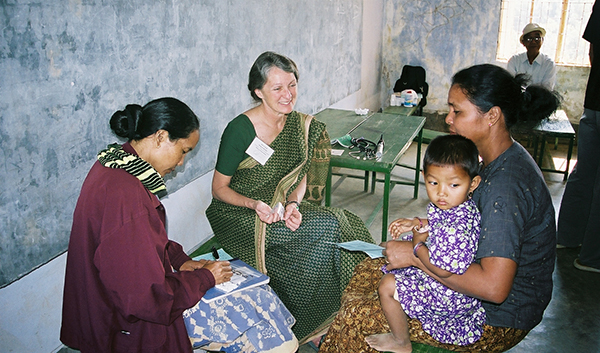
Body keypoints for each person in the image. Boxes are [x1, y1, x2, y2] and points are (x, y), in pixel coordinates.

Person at [320, 64, 560, 352]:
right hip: (468, 283)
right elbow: (469, 221)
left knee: (359, 316)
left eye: (457, 111)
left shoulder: (504, 188)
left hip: (493, 317)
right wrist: (424, 225)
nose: (448, 119)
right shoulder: (495, 158)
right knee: (367, 271)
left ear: (492, 116)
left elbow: (494, 289)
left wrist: (414, 255)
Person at [205, 51, 375, 341]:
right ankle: (310, 320)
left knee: (339, 220)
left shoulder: (298, 125)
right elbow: (219, 190)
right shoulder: (240, 130)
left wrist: (294, 203)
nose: (288, 95)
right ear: (258, 92)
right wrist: (255, 204)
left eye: (292, 85)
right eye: (277, 88)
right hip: (239, 213)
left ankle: (349, 306)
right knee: (319, 233)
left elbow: (301, 174)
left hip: (279, 205)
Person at [59, 98, 235, 353]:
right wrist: (204, 278)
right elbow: (144, 298)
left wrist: (179, 259)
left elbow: (143, 239)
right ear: (161, 137)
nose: (181, 164)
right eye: (183, 151)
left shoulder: (117, 163)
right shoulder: (125, 195)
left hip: (104, 309)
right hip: (123, 329)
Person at [366, 134, 484, 353]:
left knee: (387, 286)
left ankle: (401, 341)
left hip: (450, 295)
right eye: (433, 182)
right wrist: (417, 222)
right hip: (446, 281)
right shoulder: (459, 206)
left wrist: (418, 247)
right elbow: (441, 223)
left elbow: (444, 272)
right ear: (424, 176)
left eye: (454, 184)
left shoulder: (459, 226)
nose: (441, 192)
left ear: (473, 183)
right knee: (388, 247)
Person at [556, 1, 600, 273]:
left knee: (584, 171)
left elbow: (593, 51)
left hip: (594, 101)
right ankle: (593, 257)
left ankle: (567, 238)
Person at [507, 23, 557, 89]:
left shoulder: (549, 64)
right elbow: (510, 85)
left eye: (537, 38)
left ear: (542, 41)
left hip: (539, 99)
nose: (533, 42)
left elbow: (547, 90)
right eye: (529, 39)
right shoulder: (515, 61)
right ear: (523, 42)